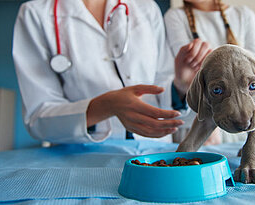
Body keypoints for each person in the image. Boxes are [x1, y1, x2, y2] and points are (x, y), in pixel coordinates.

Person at [12, 0, 198, 144]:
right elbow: (39, 117)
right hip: (80, 158)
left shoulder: (146, 8)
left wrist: (180, 87)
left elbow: (161, 86)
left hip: (154, 151)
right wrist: (105, 106)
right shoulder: (34, 14)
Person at [164, 0, 255, 143]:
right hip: (198, 124)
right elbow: (189, 74)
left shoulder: (243, 15)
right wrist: (210, 124)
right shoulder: (175, 16)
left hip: (242, 121)